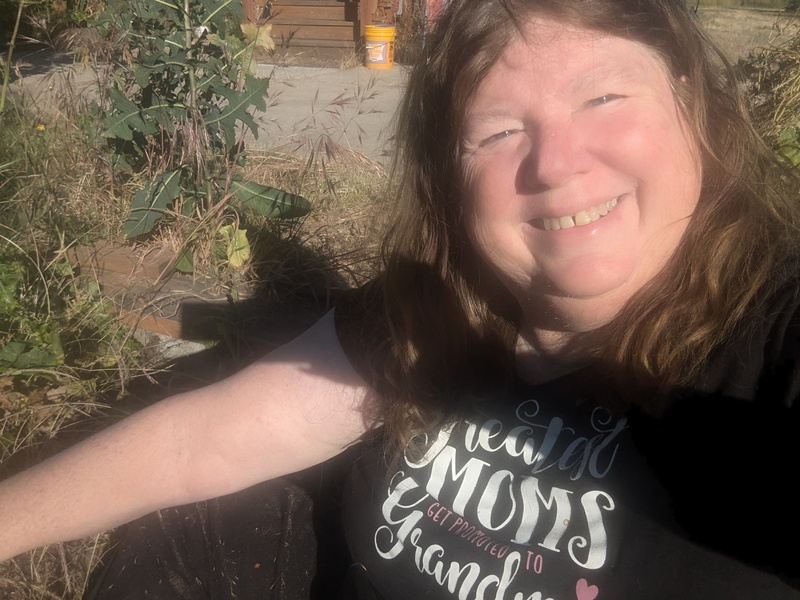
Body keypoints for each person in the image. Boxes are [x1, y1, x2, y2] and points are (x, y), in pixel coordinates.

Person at [2, 0, 800, 597]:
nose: (556, 163)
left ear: (691, 102)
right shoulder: (442, 310)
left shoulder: (770, 339)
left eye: (604, 98)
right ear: (449, 174)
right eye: (497, 132)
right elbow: (196, 447)